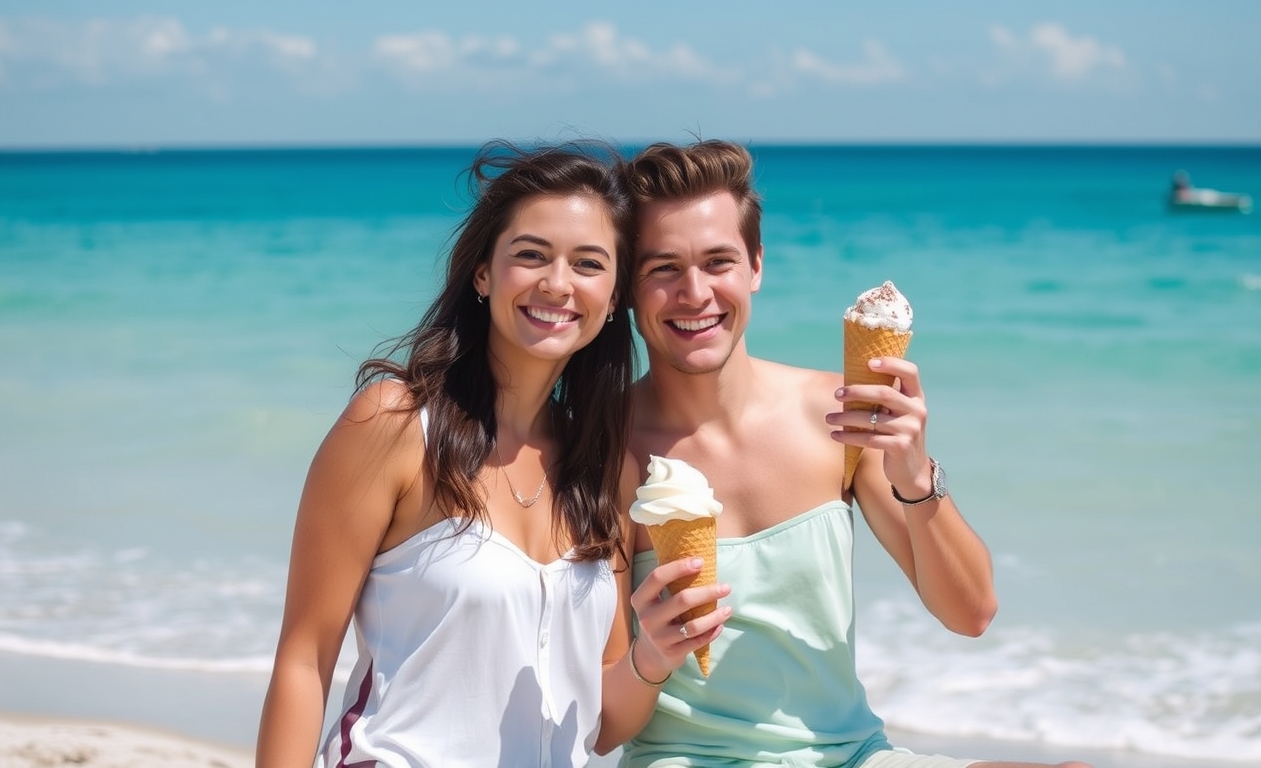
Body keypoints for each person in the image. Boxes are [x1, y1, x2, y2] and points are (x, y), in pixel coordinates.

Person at [607, 139, 1092, 768]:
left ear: (755, 266)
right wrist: (650, 656)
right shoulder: (602, 451)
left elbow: (971, 614)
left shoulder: (835, 415)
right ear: (627, 288)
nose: (694, 292)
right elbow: (603, 727)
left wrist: (915, 474)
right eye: (662, 267)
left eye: (718, 261)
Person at [256, 140, 642, 768]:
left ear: (616, 293)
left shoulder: (599, 465)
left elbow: (602, 726)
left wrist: (656, 655)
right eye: (531, 255)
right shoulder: (397, 424)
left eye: (589, 264)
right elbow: (305, 658)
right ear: (483, 274)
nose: (557, 283)